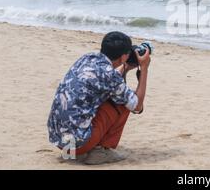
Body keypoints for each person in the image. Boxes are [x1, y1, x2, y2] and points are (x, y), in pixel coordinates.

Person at [47, 31, 151, 165]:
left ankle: (78, 153)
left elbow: (107, 80)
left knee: (113, 96)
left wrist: (125, 67)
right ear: (124, 56)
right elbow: (136, 106)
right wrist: (144, 68)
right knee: (123, 103)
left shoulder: (87, 58)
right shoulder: (110, 76)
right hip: (77, 145)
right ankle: (101, 151)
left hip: (60, 139)